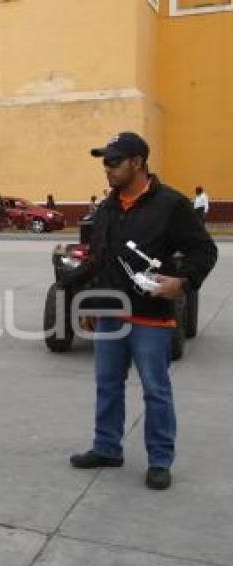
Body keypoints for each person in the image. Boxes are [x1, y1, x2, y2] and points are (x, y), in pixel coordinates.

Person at [69, 132, 217, 490]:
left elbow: (204, 251)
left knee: (155, 389)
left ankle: (160, 460)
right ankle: (107, 448)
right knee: (107, 385)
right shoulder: (108, 207)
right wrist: (89, 299)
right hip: (111, 316)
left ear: (137, 162)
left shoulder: (171, 205)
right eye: (104, 161)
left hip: (151, 317)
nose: (107, 168)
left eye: (114, 161)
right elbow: (100, 258)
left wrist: (181, 283)